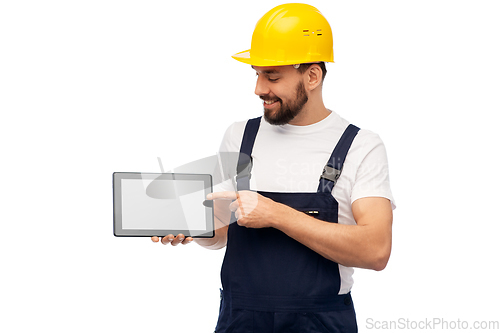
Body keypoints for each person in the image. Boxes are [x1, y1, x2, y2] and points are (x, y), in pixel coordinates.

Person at [152, 3, 395, 332]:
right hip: (240, 319)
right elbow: (222, 234)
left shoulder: (360, 146)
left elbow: (376, 250)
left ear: (312, 75)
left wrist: (277, 215)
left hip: (321, 323)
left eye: (273, 76)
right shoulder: (240, 136)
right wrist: (196, 229)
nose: (259, 89)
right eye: (257, 74)